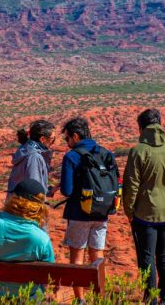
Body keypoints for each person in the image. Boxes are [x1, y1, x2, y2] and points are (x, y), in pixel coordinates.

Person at [122, 108, 165, 305]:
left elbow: (131, 184)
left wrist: (129, 210)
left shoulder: (138, 151)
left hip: (144, 214)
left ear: (141, 127)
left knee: (147, 258)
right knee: (164, 256)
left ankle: (151, 300)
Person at [59, 117, 118, 301]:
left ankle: (80, 300)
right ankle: (99, 298)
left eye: (67, 139)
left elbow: (67, 190)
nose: (67, 143)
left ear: (75, 136)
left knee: (77, 257)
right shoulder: (105, 152)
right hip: (102, 213)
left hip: (79, 213)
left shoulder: (72, 156)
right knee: (97, 256)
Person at [8, 120, 56, 199]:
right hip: (25, 207)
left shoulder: (25, 148)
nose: (53, 141)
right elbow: (33, 189)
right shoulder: (34, 157)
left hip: (16, 204)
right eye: (52, 139)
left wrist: (50, 190)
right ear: (42, 139)